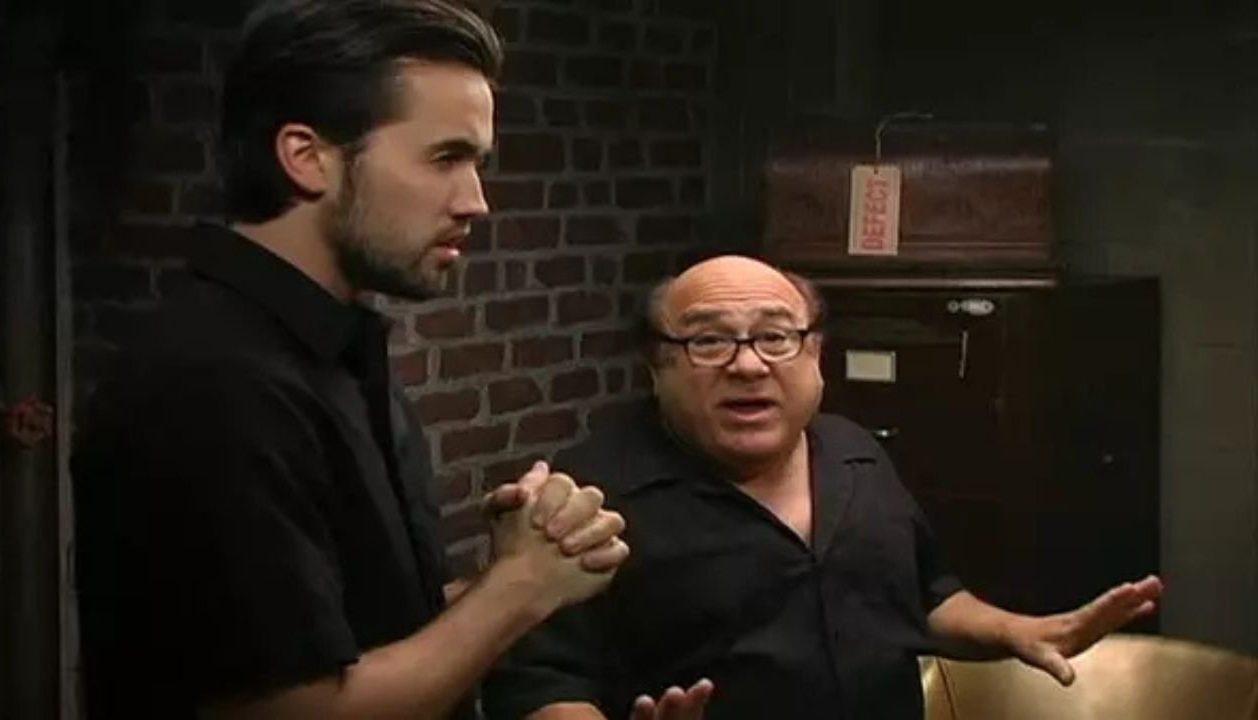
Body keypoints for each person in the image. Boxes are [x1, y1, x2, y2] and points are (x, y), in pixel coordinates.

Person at [71, 2, 628, 719]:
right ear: (307, 158)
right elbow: (296, 709)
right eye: (446, 158)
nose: (476, 201)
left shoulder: (330, 352)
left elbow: (356, 631)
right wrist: (520, 588)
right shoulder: (213, 383)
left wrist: (507, 572)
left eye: (477, 163)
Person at [483, 255, 1164, 720]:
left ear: (815, 356)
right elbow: (538, 685)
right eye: (709, 342)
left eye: (776, 337)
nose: (748, 365)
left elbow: (926, 596)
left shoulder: (852, 453)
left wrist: (1022, 630)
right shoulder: (587, 498)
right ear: (656, 367)